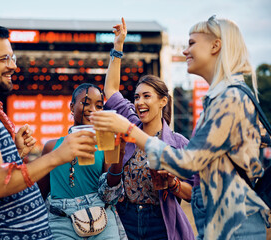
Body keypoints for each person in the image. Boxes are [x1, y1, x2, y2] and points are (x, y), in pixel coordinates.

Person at [91, 16, 269, 239]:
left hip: (233, 228)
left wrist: (129, 131)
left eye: (192, 43)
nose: (185, 51)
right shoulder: (220, 98)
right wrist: (118, 47)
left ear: (216, 46)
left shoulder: (230, 97)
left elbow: (188, 164)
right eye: (137, 97)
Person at [0, 24, 97, 239]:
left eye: (13, 58)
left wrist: (15, 154)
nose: (13, 66)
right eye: (4, 59)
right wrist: (57, 155)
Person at [96, 18, 195, 240]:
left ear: (163, 101)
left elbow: (195, 193)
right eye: (137, 97)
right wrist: (118, 46)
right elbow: (111, 90)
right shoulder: (129, 123)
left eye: (146, 96)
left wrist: (173, 183)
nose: (139, 102)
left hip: (160, 221)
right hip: (125, 218)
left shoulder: (180, 144)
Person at [38, 83, 126, 239]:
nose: (92, 109)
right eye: (86, 103)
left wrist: (119, 154)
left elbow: (110, 194)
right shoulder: (52, 147)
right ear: (72, 107)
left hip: (101, 217)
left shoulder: (105, 145)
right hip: (61, 220)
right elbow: (40, 195)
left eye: (99, 106)